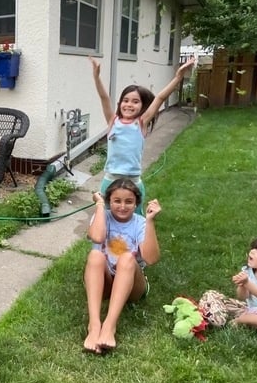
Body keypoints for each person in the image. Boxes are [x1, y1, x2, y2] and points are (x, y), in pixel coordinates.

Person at [90, 55, 195, 206]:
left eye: (135, 101)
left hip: (133, 181)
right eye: (125, 101)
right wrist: (96, 77)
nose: (129, 104)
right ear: (120, 103)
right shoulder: (113, 121)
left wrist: (178, 77)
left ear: (142, 106)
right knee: (106, 218)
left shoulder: (141, 123)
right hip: (111, 179)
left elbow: (159, 98)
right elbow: (104, 98)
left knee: (136, 220)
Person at [83, 178, 161, 354]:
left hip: (131, 284)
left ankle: (109, 326)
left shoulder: (139, 222)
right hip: (105, 282)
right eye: (117, 201)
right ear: (110, 201)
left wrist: (150, 221)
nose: (123, 206)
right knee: (95, 255)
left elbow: (151, 259)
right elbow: (96, 237)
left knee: (126, 258)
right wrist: (100, 205)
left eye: (129, 202)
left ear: (136, 204)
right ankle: (94, 326)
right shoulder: (102, 215)